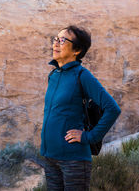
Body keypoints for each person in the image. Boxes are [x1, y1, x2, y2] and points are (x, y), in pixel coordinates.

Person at [40, 25, 121, 191]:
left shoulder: (82, 75)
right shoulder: (53, 75)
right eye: (56, 39)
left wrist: (89, 137)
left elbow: (112, 109)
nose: (56, 43)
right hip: (50, 157)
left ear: (76, 50)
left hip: (73, 160)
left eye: (62, 40)